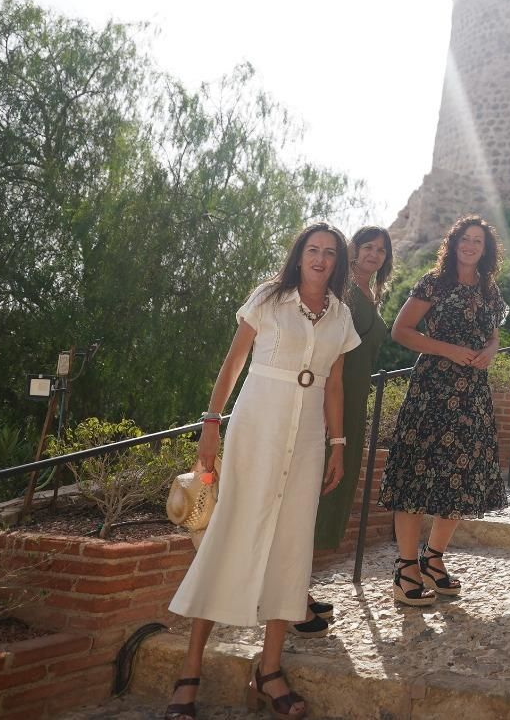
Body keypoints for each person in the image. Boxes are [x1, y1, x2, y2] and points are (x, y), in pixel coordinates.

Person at [164, 222, 361, 720]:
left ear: (338, 263)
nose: (320, 259)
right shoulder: (269, 298)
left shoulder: (341, 315)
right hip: (257, 424)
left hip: (309, 440)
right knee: (229, 534)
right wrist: (211, 424)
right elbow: (233, 363)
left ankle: (269, 669)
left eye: (330, 253)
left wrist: (338, 445)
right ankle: (190, 670)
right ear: (299, 255)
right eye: (312, 250)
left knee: (293, 546)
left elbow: (334, 386)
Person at [377, 216, 509, 605]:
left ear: (485, 250)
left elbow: (494, 331)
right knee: (416, 475)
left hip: (472, 393)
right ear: (453, 244)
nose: (470, 246)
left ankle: (433, 560)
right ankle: (405, 569)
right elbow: (400, 331)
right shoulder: (433, 282)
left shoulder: (489, 289)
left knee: (461, 475)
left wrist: (489, 351)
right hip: (432, 389)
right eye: (465, 240)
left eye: (478, 242)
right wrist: (448, 349)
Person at [298, 225, 394, 636]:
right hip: (328, 402)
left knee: (331, 495)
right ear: (352, 250)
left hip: (354, 406)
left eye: (381, 249)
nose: (373, 254)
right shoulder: (341, 294)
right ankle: (292, 595)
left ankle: (298, 588)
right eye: (367, 247)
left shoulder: (371, 292)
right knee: (312, 497)